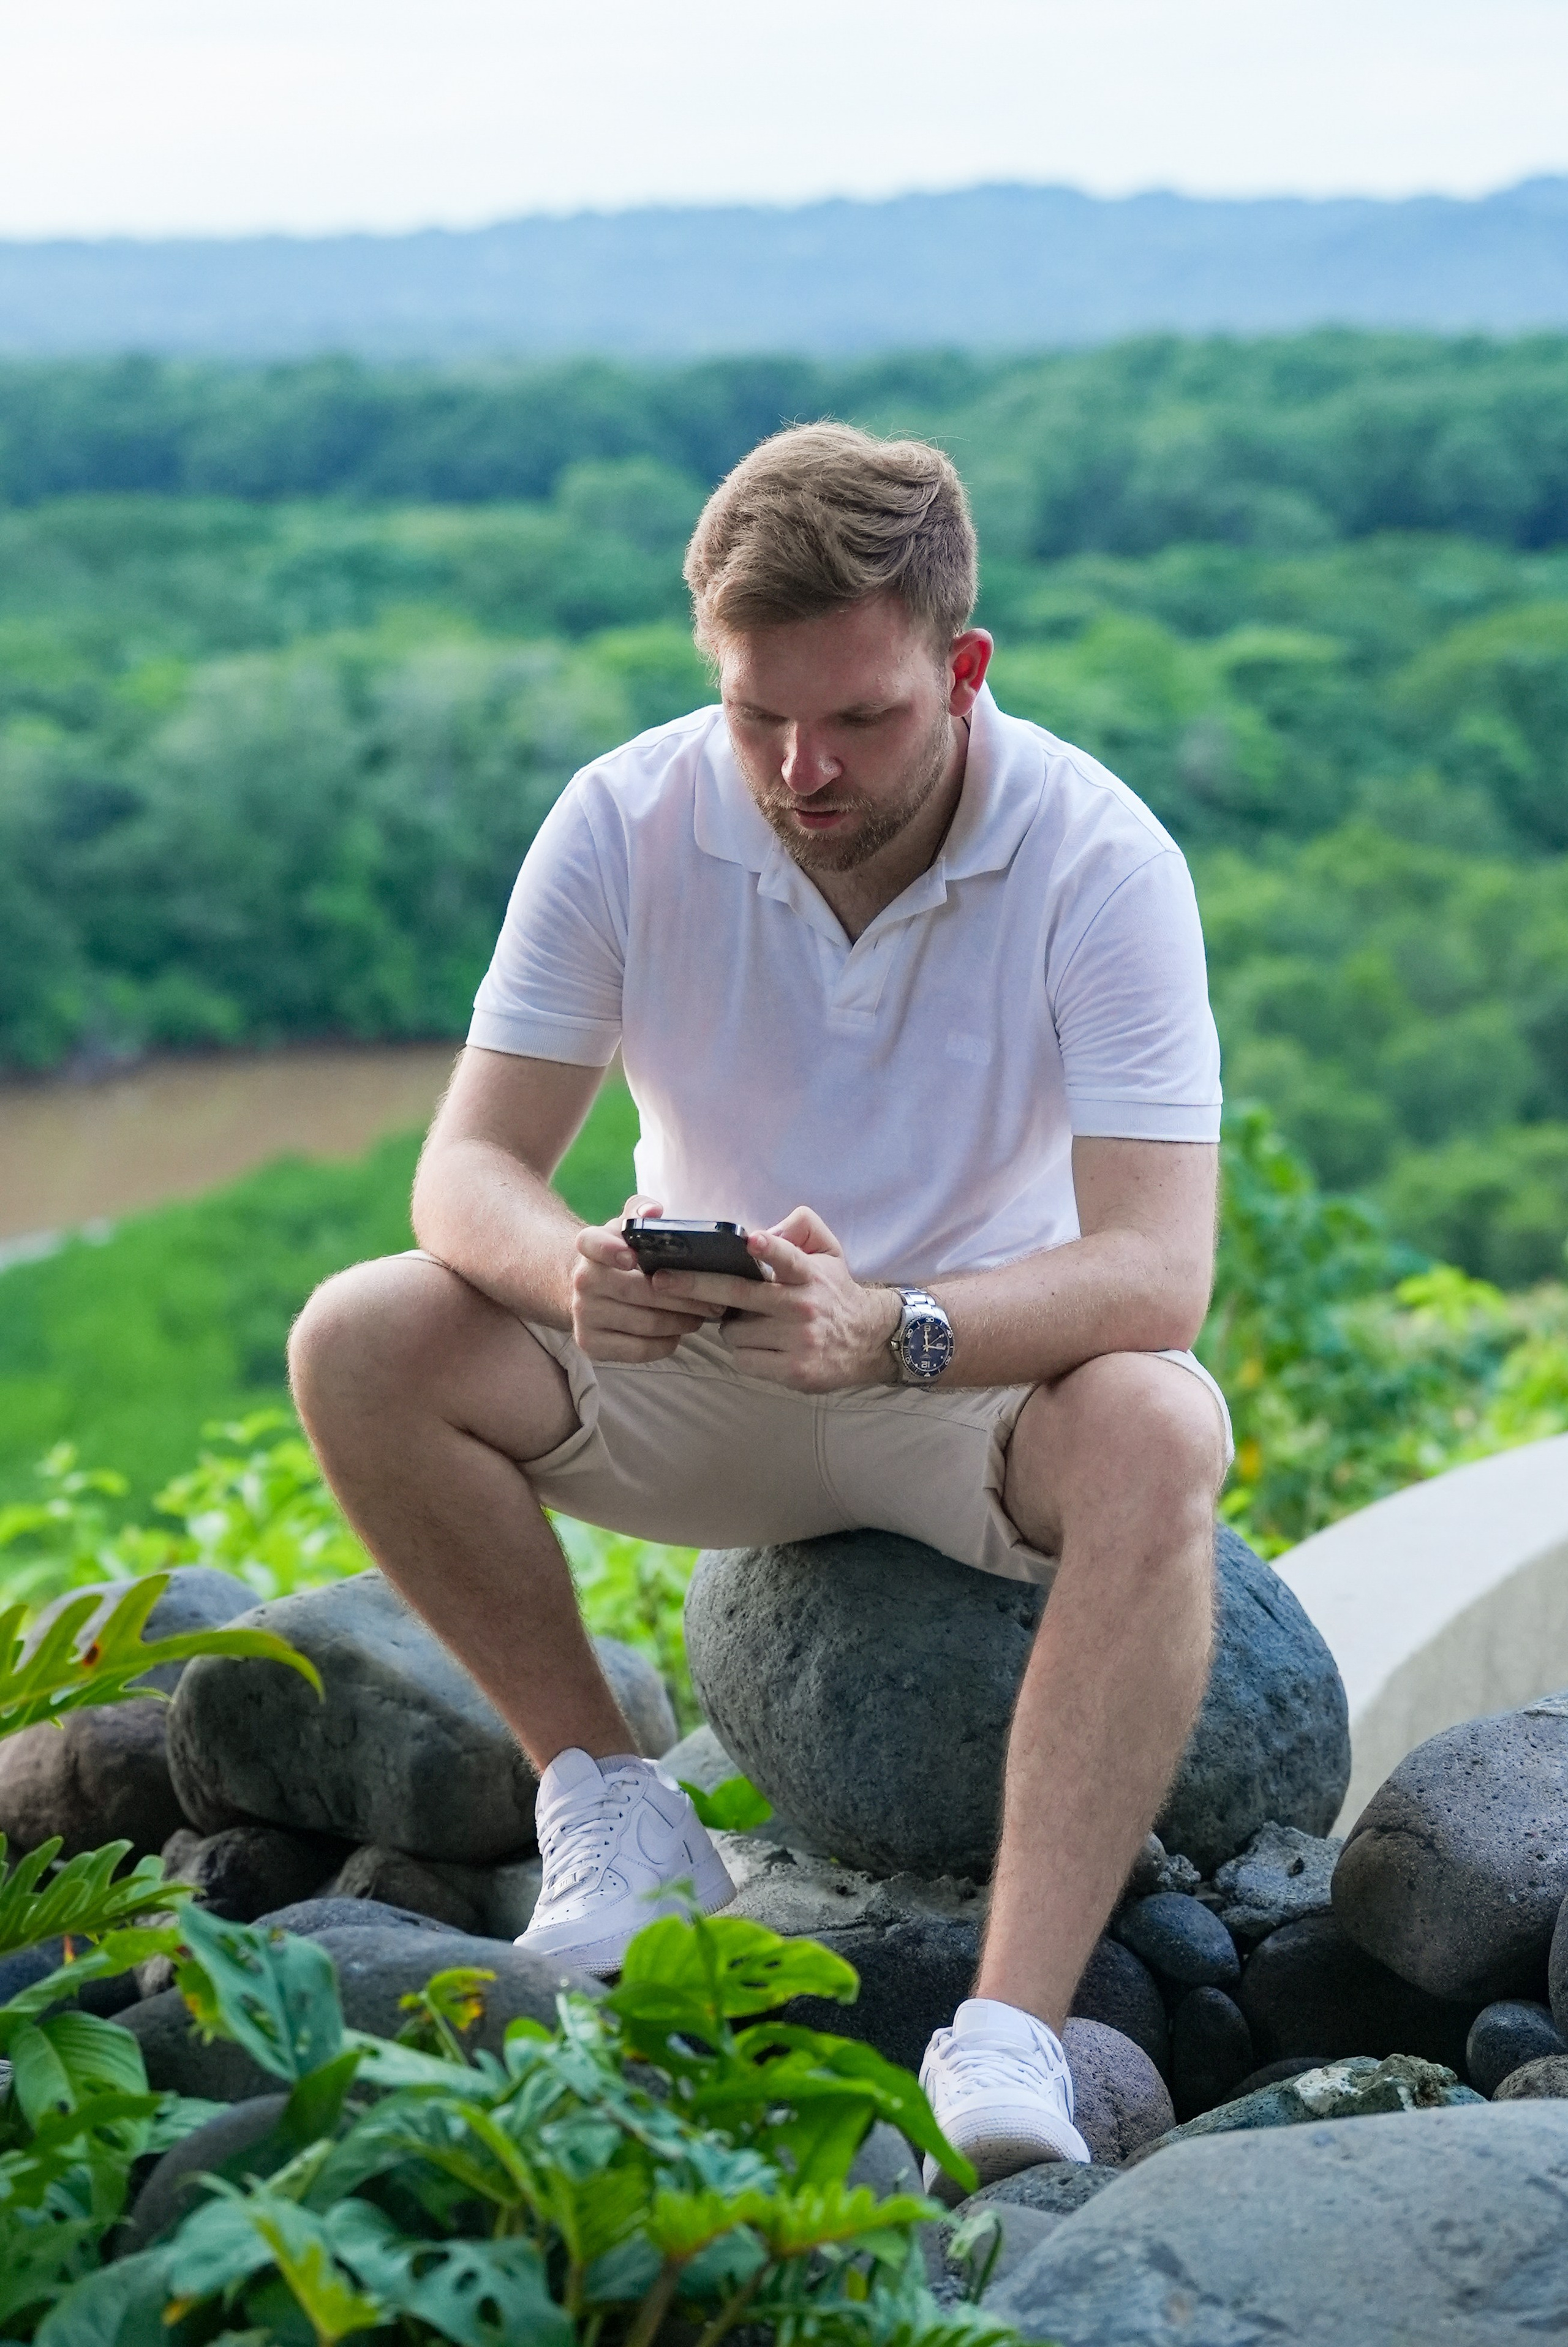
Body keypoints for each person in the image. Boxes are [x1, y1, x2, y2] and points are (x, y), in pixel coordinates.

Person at [288, 422, 1231, 2197]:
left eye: (859, 718)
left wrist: (897, 1327)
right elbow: (467, 1168)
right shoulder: (624, 815)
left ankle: (1010, 2030)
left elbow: (1156, 1270)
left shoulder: (1101, 854)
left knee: (1164, 1422)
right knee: (362, 1333)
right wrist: (567, 1270)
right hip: (697, 1375)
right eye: (756, 716)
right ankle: (610, 1800)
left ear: (964, 668)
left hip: (966, 1388)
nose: (802, 769)